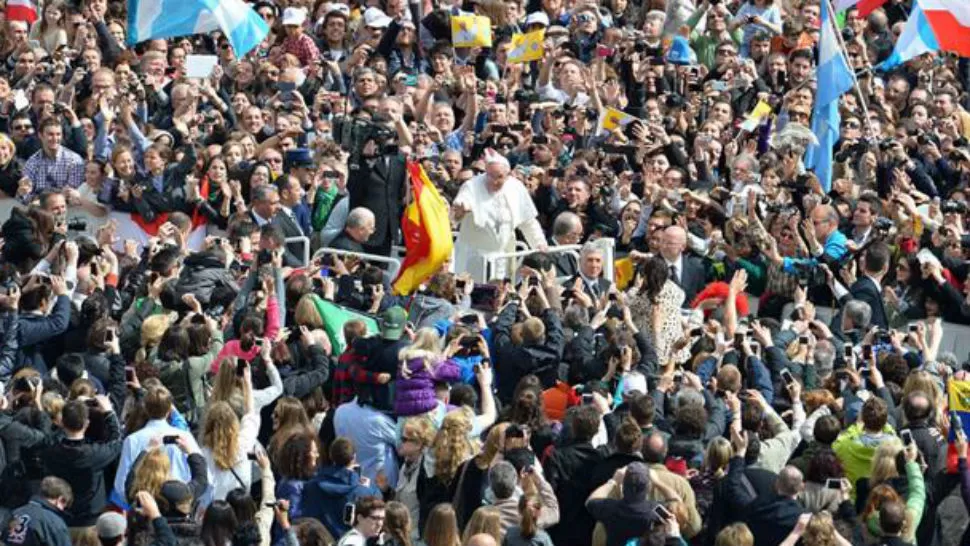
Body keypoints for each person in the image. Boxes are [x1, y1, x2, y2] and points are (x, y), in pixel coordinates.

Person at [452, 150, 546, 280]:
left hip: (501, 257)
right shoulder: (472, 186)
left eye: (499, 177)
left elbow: (528, 221)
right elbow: (458, 208)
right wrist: (460, 211)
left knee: (497, 294)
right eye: (490, 176)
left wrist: (539, 243)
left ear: (508, 175)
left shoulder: (516, 187)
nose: (493, 181)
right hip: (472, 255)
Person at [2, 476, 73, 546]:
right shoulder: (53, 522)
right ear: (61, 499)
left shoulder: (14, 513)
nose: (63, 510)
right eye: (65, 506)